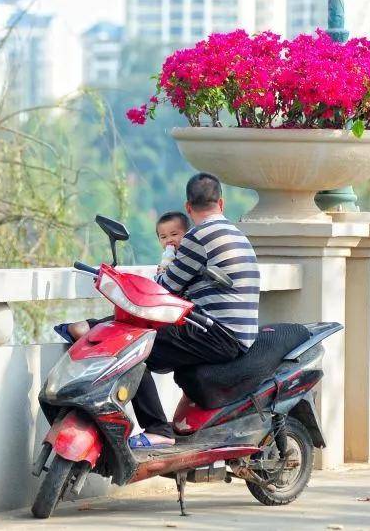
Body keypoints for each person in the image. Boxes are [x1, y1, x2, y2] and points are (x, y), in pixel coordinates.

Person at [129, 173, 259, 448]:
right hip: (239, 334)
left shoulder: (197, 237)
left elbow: (167, 289)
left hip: (218, 334)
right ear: (221, 203)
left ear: (189, 208)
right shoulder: (236, 233)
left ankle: (157, 430)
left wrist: (163, 269)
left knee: (136, 348)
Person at [63, 210, 191, 341]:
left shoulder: (188, 260)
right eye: (163, 237)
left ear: (188, 235)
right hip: (155, 311)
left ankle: (96, 332)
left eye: (174, 234)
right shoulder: (168, 263)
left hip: (169, 315)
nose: (169, 240)